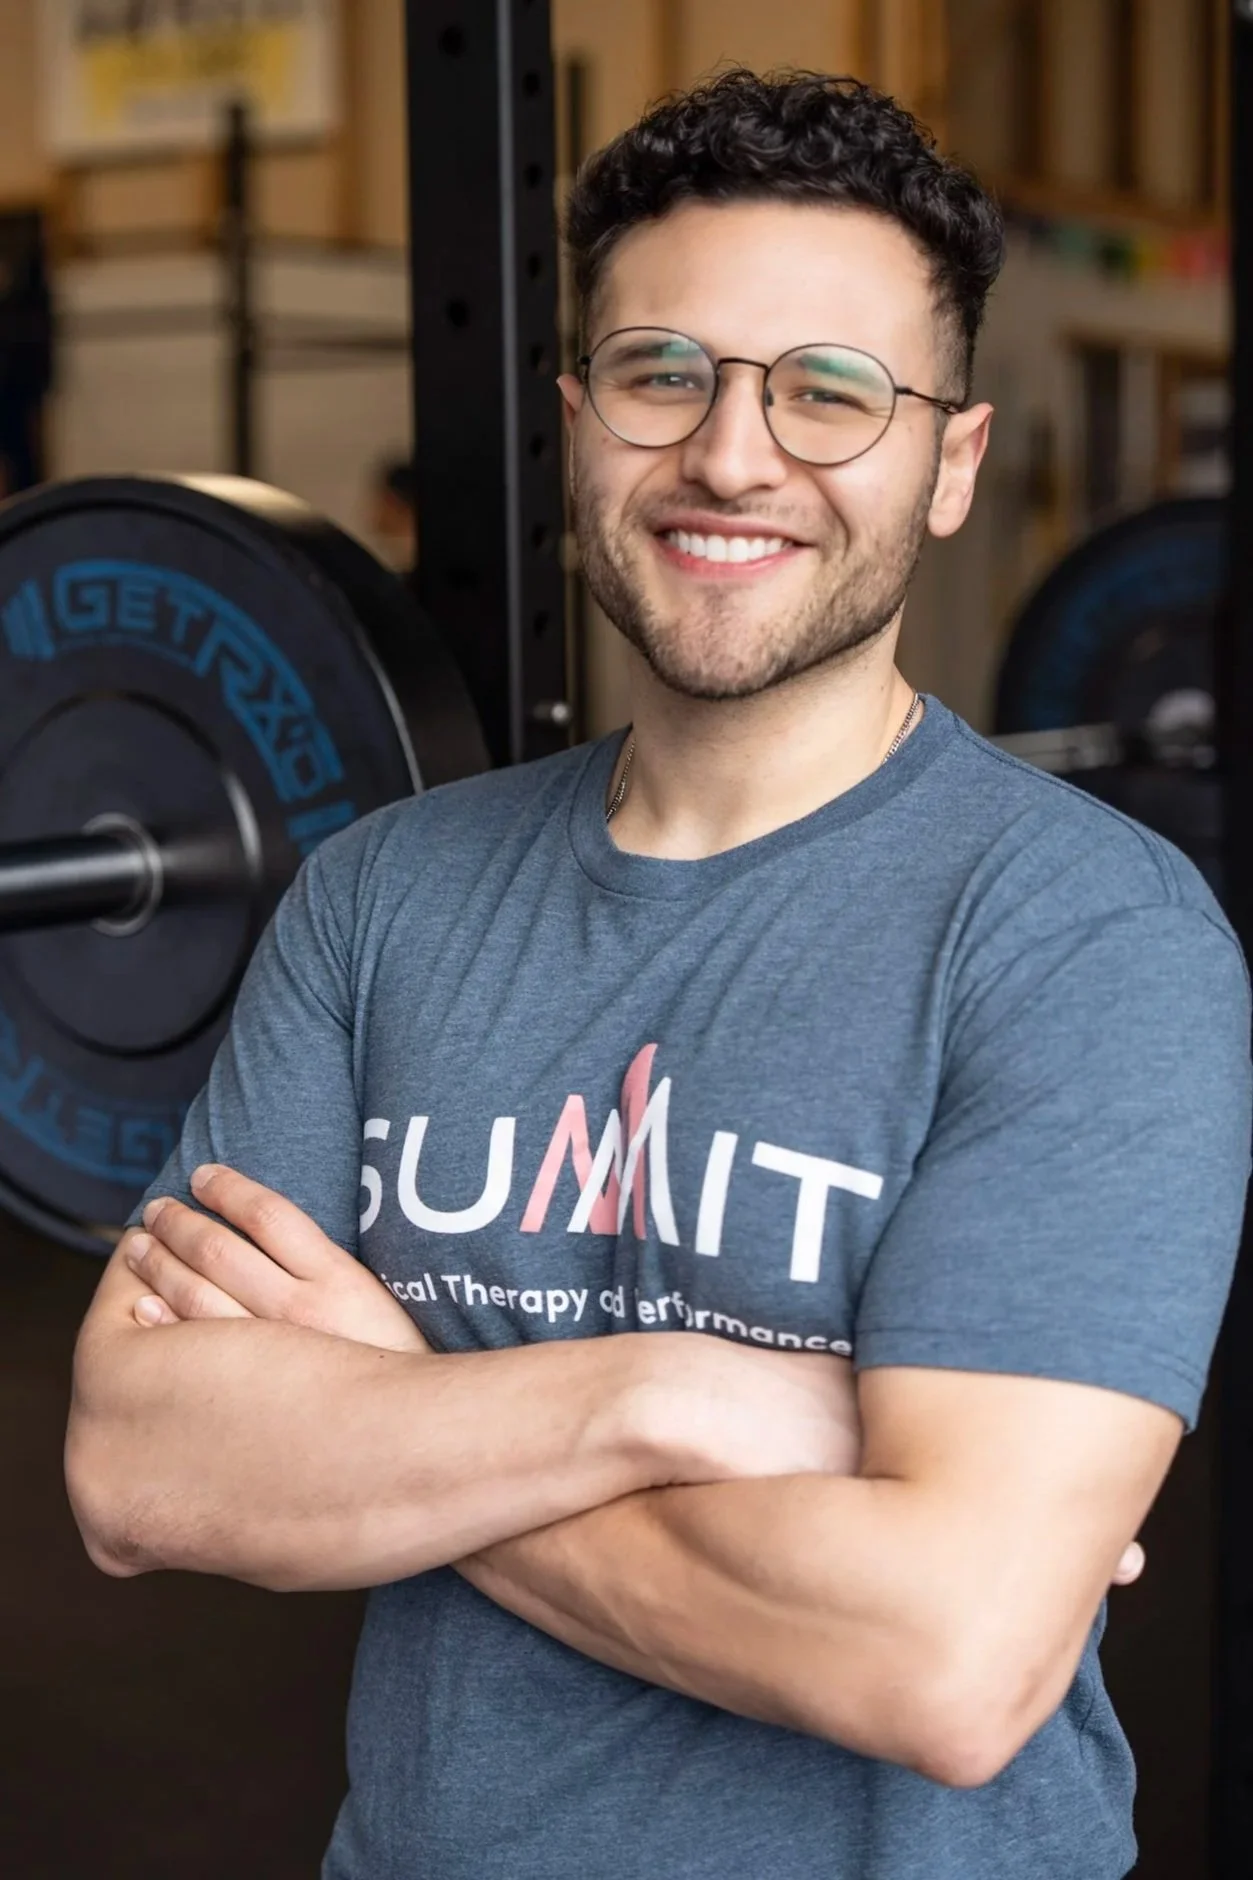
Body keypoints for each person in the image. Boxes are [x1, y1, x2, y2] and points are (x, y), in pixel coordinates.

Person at [65, 71, 1250, 1880]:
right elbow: (143, 1470)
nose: (732, 455)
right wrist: (660, 1393)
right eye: (663, 372)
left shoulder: (1087, 939)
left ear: (951, 464)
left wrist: (395, 1416)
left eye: (831, 393)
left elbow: (944, 1660)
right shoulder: (380, 900)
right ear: (579, 417)